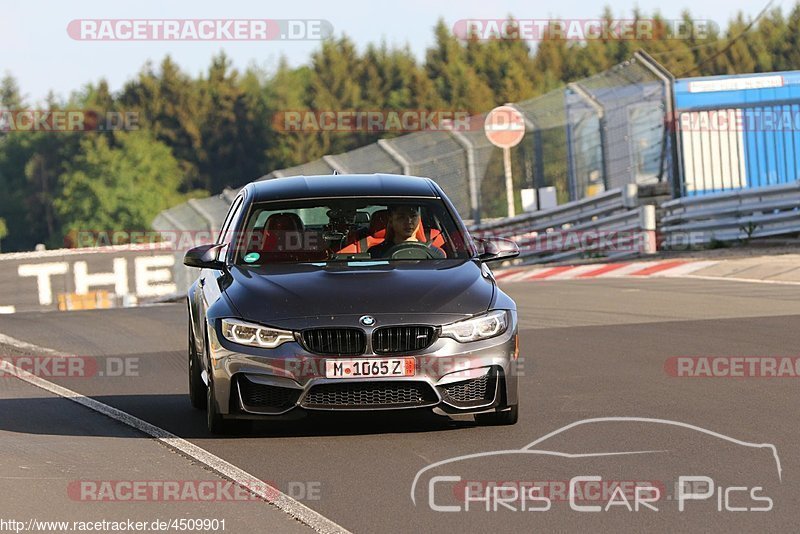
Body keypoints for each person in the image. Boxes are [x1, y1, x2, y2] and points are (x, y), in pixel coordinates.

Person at [368, 204, 445, 259]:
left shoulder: (435, 254)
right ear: (391, 220)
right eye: (401, 217)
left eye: (413, 216)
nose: (409, 221)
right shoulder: (375, 254)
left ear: (419, 219)